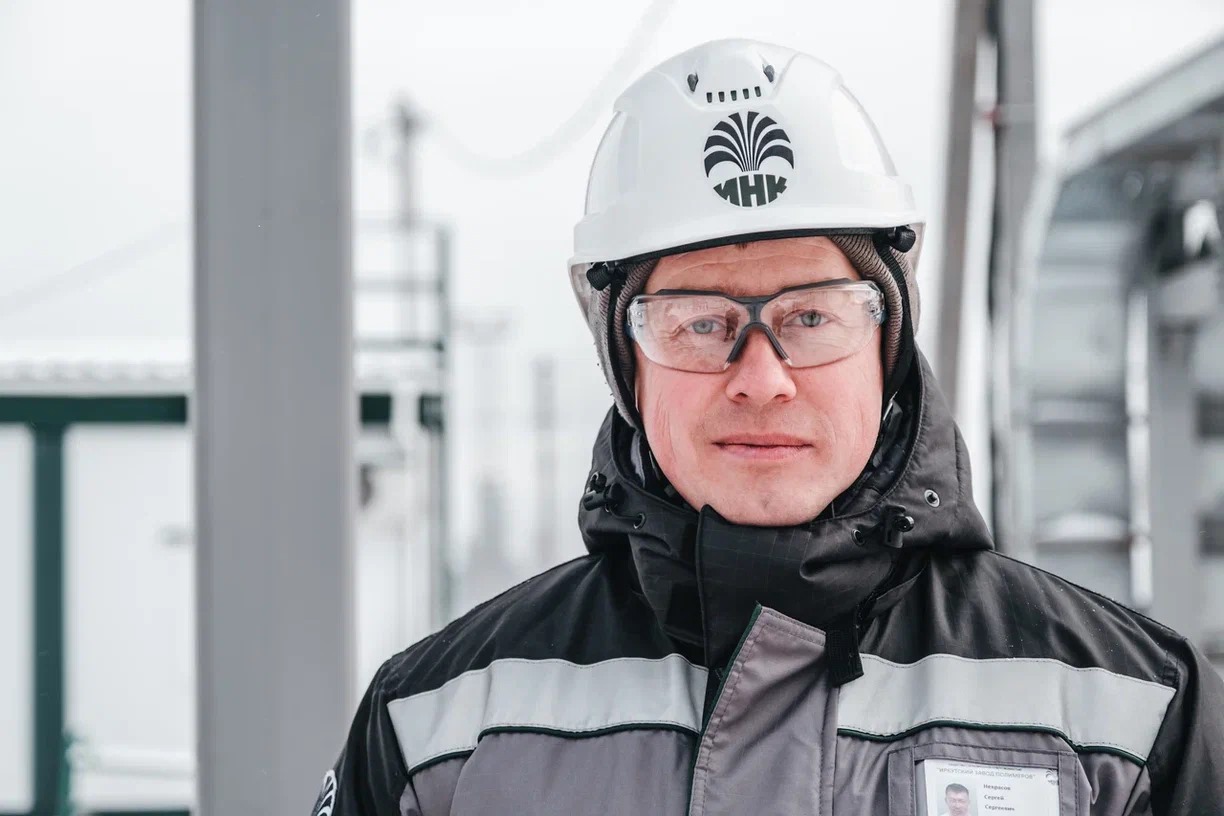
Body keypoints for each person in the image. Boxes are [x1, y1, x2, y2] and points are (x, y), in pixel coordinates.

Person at [312, 38, 1224, 815]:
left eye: (812, 316)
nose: (762, 379)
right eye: (699, 323)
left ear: (887, 342)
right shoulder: (436, 733)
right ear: (626, 363)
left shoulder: (1136, 718)